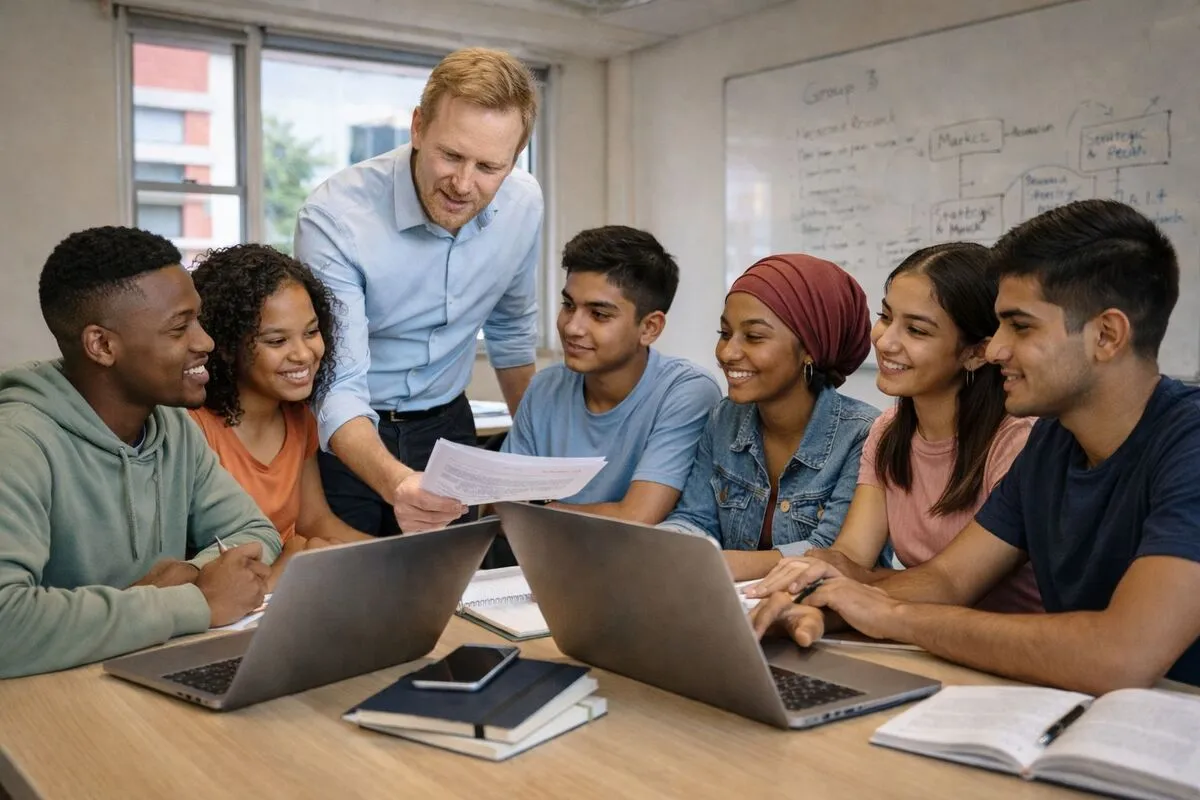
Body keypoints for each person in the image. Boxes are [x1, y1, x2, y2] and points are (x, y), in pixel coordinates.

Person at [750, 199, 1200, 692]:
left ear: (1107, 335)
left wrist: (896, 616)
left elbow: (1121, 654)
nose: (997, 349)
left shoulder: (1188, 445)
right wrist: (821, 603)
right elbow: (947, 580)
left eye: (1020, 326)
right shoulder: (1053, 440)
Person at [0, 227, 282, 678]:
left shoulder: (172, 425)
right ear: (102, 345)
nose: (205, 341)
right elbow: (6, 625)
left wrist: (188, 580)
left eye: (199, 319)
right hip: (47, 705)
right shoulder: (16, 443)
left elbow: (252, 532)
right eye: (178, 327)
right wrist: (192, 602)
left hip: (136, 676)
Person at [295, 47, 543, 536]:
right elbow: (339, 385)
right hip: (349, 432)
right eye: (450, 155)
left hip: (447, 423)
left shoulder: (523, 204)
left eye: (489, 167)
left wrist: (531, 462)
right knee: (356, 585)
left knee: (446, 582)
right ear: (417, 127)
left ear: (513, 161)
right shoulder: (336, 216)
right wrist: (396, 483)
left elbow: (512, 334)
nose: (463, 184)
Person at [747, 243, 1040, 613]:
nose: (884, 341)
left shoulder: (1016, 440)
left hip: (1002, 650)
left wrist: (843, 579)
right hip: (920, 635)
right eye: (886, 317)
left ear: (976, 353)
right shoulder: (887, 430)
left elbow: (952, 584)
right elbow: (853, 554)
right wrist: (814, 578)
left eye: (916, 330)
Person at [660, 254, 880, 580]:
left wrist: (712, 564)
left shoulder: (863, 434)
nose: (727, 352)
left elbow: (832, 554)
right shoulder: (724, 417)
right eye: (724, 333)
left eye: (754, 337)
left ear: (810, 349)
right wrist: (663, 545)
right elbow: (696, 517)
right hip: (734, 606)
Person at [501, 226, 721, 523]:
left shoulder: (686, 391)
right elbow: (497, 508)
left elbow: (637, 519)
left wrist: (538, 510)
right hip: (547, 561)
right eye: (568, 305)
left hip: (638, 566)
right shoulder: (545, 386)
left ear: (649, 328)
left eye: (599, 314)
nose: (571, 327)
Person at [189, 245, 372, 588]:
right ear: (226, 346)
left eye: (311, 332)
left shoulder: (299, 418)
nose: (303, 354)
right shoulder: (193, 428)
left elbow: (315, 522)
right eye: (277, 341)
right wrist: (288, 566)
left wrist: (402, 558)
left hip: (289, 588)